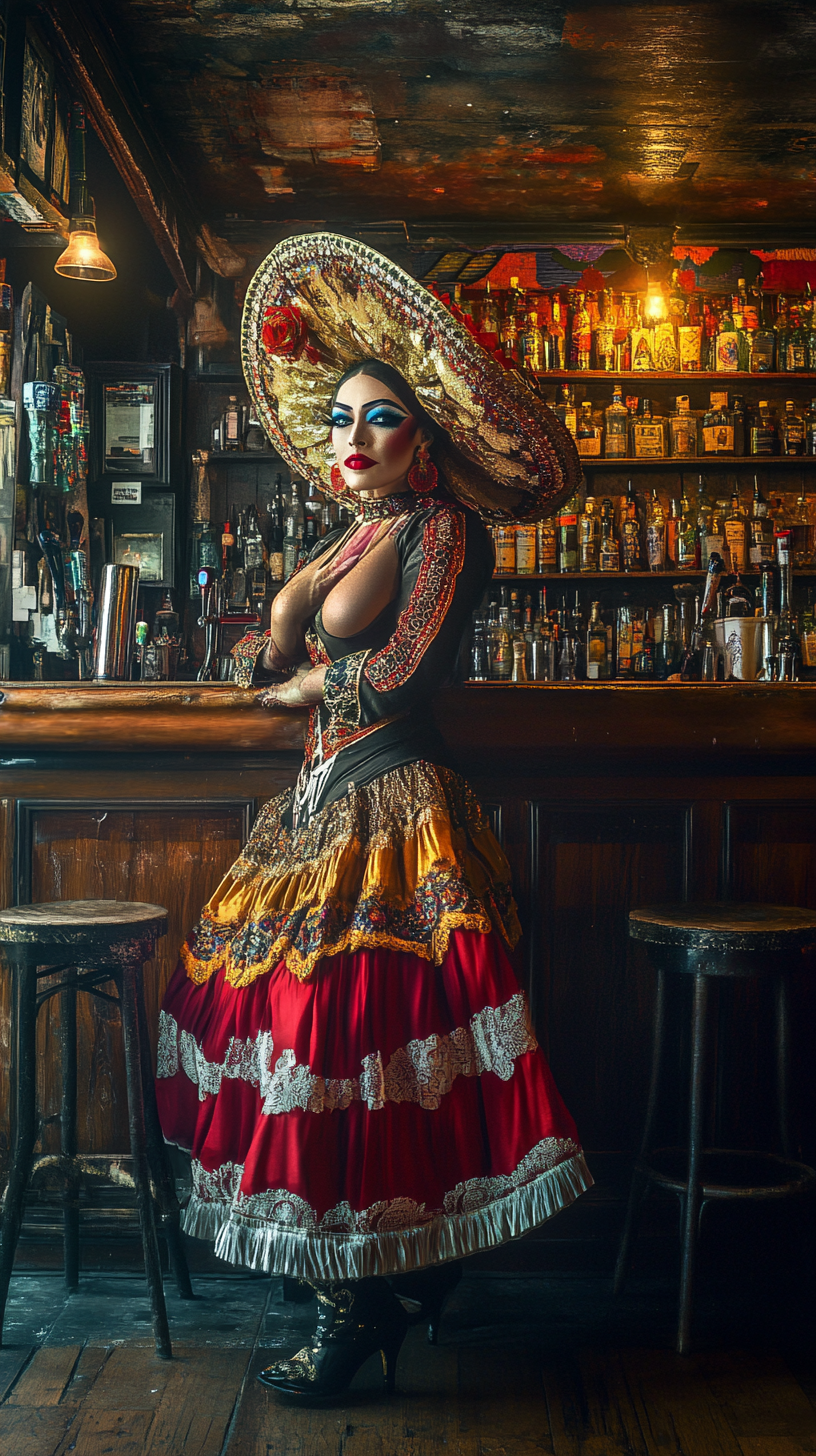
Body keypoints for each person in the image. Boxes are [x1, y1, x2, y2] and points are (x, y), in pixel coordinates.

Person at [156, 233, 591, 1402]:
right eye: (340, 420)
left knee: (354, 1048)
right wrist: (290, 614)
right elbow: (258, 659)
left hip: (399, 810)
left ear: (427, 435)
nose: (351, 439)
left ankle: (363, 1304)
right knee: (293, 1034)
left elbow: (398, 677)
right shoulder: (352, 531)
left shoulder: (448, 531)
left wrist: (301, 669)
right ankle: (369, 1293)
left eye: (380, 419)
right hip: (316, 808)